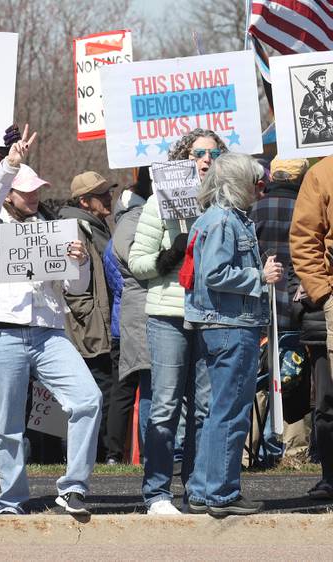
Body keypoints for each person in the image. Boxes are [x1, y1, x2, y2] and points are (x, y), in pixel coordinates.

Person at [0, 127, 102, 515]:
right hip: (1, 332)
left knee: (88, 399)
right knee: (8, 426)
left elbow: (74, 284)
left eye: (35, 189)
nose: (32, 196)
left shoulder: (54, 229)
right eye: (24, 189)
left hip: (48, 333)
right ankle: (11, 500)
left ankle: (73, 487)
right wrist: (8, 165)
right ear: (10, 192)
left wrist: (78, 261)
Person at [128, 128, 227, 515]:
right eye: (200, 154)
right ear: (184, 159)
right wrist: (168, 259)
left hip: (210, 316)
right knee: (166, 406)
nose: (207, 160)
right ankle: (157, 492)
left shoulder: (222, 207)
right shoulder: (157, 205)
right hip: (169, 315)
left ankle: (196, 488)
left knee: (204, 407)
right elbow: (137, 264)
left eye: (215, 155)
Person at [185, 152, 282, 516]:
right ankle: (221, 492)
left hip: (218, 325)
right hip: (231, 325)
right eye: (254, 178)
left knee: (218, 412)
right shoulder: (226, 221)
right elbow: (214, 273)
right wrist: (259, 276)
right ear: (239, 182)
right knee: (231, 412)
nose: (260, 184)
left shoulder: (215, 218)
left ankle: (202, 489)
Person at [249, 158, 312, 466]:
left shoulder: (255, 209)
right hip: (296, 304)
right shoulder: (307, 209)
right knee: (295, 374)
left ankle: (248, 450)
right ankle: (296, 452)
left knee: (257, 376)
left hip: (260, 302)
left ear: (273, 175)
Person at [56, 170, 116, 462]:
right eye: (101, 194)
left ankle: (95, 452)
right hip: (86, 325)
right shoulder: (74, 229)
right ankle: (90, 453)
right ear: (84, 201)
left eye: (108, 191)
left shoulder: (97, 225)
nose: (109, 197)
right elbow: (71, 285)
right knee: (95, 388)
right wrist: (88, 315)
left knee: (101, 387)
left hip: (97, 320)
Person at [290, 155, 333, 500]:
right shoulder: (321, 174)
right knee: (329, 396)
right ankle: (331, 477)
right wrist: (323, 293)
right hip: (331, 303)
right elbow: (304, 239)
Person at [108, 168, 154, 462]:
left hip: (126, 321)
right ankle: (123, 453)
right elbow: (123, 280)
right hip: (128, 323)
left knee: (131, 390)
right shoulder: (128, 229)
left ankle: (121, 453)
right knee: (131, 389)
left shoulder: (120, 229)